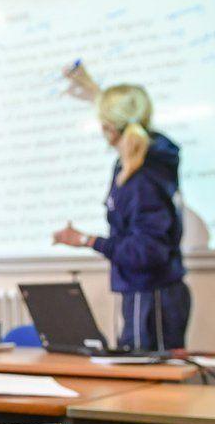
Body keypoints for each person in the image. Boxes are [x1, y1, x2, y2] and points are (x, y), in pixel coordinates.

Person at [54, 63, 190, 351]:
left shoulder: (142, 179)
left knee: (148, 388)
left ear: (108, 127)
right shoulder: (144, 164)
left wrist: (87, 241)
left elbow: (146, 252)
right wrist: (93, 91)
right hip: (145, 293)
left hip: (151, 297)